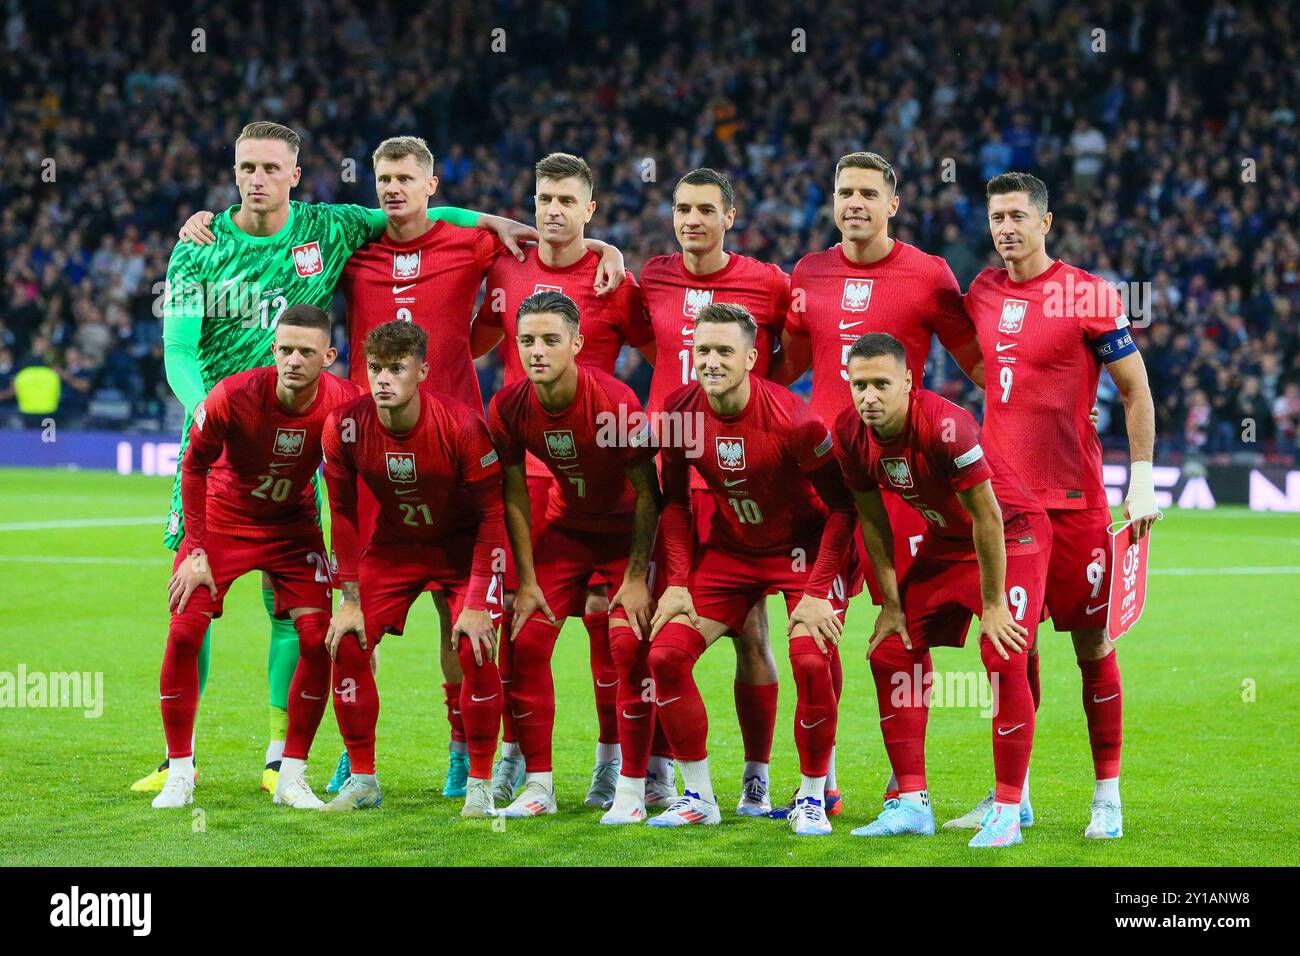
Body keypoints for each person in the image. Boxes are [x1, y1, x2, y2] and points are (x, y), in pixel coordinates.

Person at [138, 119, 521, 797]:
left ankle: (279, 756)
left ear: (295, 172)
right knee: (190, 594)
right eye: (245, 167)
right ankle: (178, 761)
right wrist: (206, 411)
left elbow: (415, 206)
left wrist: (496, 220)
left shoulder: (329, 228)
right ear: (234, 173)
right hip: (223, 441)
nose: (256, 179)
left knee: (297, 609)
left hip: (308, 450)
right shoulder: (198, 250)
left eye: (269, 167)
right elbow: (176, 350)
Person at [770, 150, 982, 818]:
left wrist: (1058, 396)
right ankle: (821, 780)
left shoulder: (929, 274)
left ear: (893, 203)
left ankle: (905, 785)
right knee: (814, 630)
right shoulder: (808, 272)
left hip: (906, 487)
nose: (854, 203)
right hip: (831, 484)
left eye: (868, 193)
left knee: (904, 638)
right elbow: (786, 368)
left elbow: (978, 363)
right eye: (843, 192)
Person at [957, 172, 1159, 839]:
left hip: (1074, 504)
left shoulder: (1088, 294)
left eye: (1017, 215)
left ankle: (1108, 794)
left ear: (1046, 222)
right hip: (1005, 509)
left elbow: (1134, 391)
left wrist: (1142, 479)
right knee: (1009, 651)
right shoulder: (980, 291)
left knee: (1092, 645)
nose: (1005, 227)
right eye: (995, 217)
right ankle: (1013, 796)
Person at [471, 152, 653, 807]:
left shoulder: (614, 281)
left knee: (610, 628)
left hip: (605, 477)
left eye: (566, 200)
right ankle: (518, 764)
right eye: (543, 197)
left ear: (588, 209)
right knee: (521, 621)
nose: (552, 210)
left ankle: (618, 767)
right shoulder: (505, 267)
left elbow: (664, 355)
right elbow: (473, 342)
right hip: (529, 471)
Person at [833, 332, 1050, 848]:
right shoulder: (849, 432)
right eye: (859, 384)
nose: (868, 396)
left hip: (1010, 535)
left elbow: (988, 515)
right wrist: (889, 604)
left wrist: (994, 605)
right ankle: (911, 803)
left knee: (1003, 652)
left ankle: (1008, 809)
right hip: (946, 542)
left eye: (881, 384)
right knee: (890, 649)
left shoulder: (947, 425)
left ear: (908, 381)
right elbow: (872, 521)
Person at [646, 303, 854, 835]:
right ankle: (698, 795)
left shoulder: (796, 420)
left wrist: (815, 591)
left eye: (723, 352)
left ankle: (812, 796)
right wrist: (674, 583)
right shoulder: (679, 412)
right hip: (731, 552)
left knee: (809, 659)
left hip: (801, 553)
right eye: (702, 351)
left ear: (751, 359)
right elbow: (673, 503)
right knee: (666, 654)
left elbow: (844, 509)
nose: (710, 362)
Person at [151, 305, 360, 810]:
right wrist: (197, 549)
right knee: (184, 630)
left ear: (328, 357)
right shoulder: (233, 395)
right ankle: (180, 771)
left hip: (293, 528)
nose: (293, 360)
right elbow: (193, 463)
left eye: (306, 352)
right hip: (223, 521)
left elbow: (351, 492)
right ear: (273, 350)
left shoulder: (347, 404)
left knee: (318, 639)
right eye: (285, 349)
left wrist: (350, 579)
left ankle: (290, 774)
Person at [632, 168, 794, 817]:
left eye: (705, 208)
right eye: (681, 208)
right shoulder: (651, 276)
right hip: (674, 469)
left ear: (731, 215)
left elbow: (792, 353)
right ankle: (657, 776)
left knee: (751, 632)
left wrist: (750, 410)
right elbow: (646, 342)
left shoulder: (769, 282)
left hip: (742, 479)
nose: (691, 218)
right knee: (653, 626)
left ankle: (758, 781)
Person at [486, 290, 662, 822]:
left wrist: (634, 577)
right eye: (526, 341)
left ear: (577, 344)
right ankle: (538, 785)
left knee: (628, 646)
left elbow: (650, 495)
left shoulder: (613, 403)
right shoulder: (509, 406)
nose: (536, 351)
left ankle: (630, 786)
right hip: (567, 529)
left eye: (549, 340)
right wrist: (529, 578)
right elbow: (514, 494)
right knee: (526, 641)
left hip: (624, 532)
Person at [320, 321, 505, 816]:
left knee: (475, 645)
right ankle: (363, 780)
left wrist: (477, 599)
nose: (383, 379)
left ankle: (481, 783)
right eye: (375, 368)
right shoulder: (344, 425)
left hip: (463, 550)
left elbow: (492, 516)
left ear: (422, 370)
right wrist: (350, 598)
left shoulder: (462, 425)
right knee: (347, 640)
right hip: (396, 546)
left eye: (396, 368)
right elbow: (340, 512)